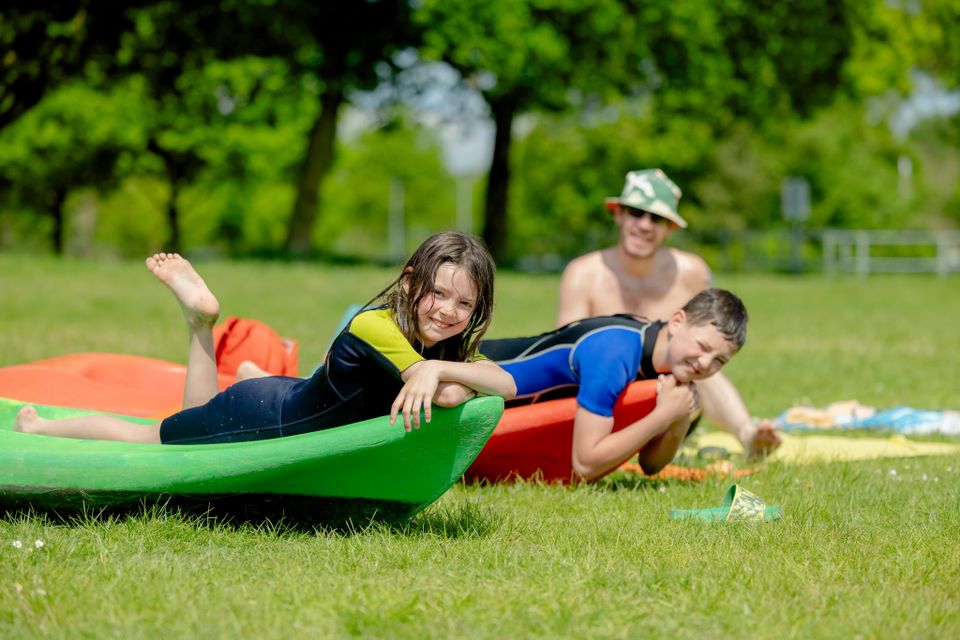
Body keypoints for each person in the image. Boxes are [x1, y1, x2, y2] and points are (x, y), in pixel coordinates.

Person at [14, 232, 517, 443]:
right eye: (437, 293)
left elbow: (503, 384)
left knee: (283, 386)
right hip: (262, 415)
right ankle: (42, 428)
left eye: (465, 304)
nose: (449, 312)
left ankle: (242, 362)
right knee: (156, 436)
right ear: (409, 282)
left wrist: (439, 366)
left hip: (291, 393)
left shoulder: (441, 352)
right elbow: (459, 390)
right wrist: (440, 373)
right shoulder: (374, 324)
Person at [556, 168, 781, 458]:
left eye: (657, 218)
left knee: (701, 359)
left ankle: (748, 435)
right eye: (637, 213)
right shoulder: (583, 274)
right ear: (618, 214)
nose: (646, 225)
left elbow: (713, 341)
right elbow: (568, 359)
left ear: (670, 228)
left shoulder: (691, 272)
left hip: (675, 400)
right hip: (603, 402)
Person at [480, 288, 748, 481]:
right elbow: (585, 464)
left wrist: (678, 420)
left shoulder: (672, 365)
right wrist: (662, 416)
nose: (704, 363)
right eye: (702, 346)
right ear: (677, 322)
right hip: (469, 373)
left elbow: (650, 465)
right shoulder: (614, 353)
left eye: (719, 361)